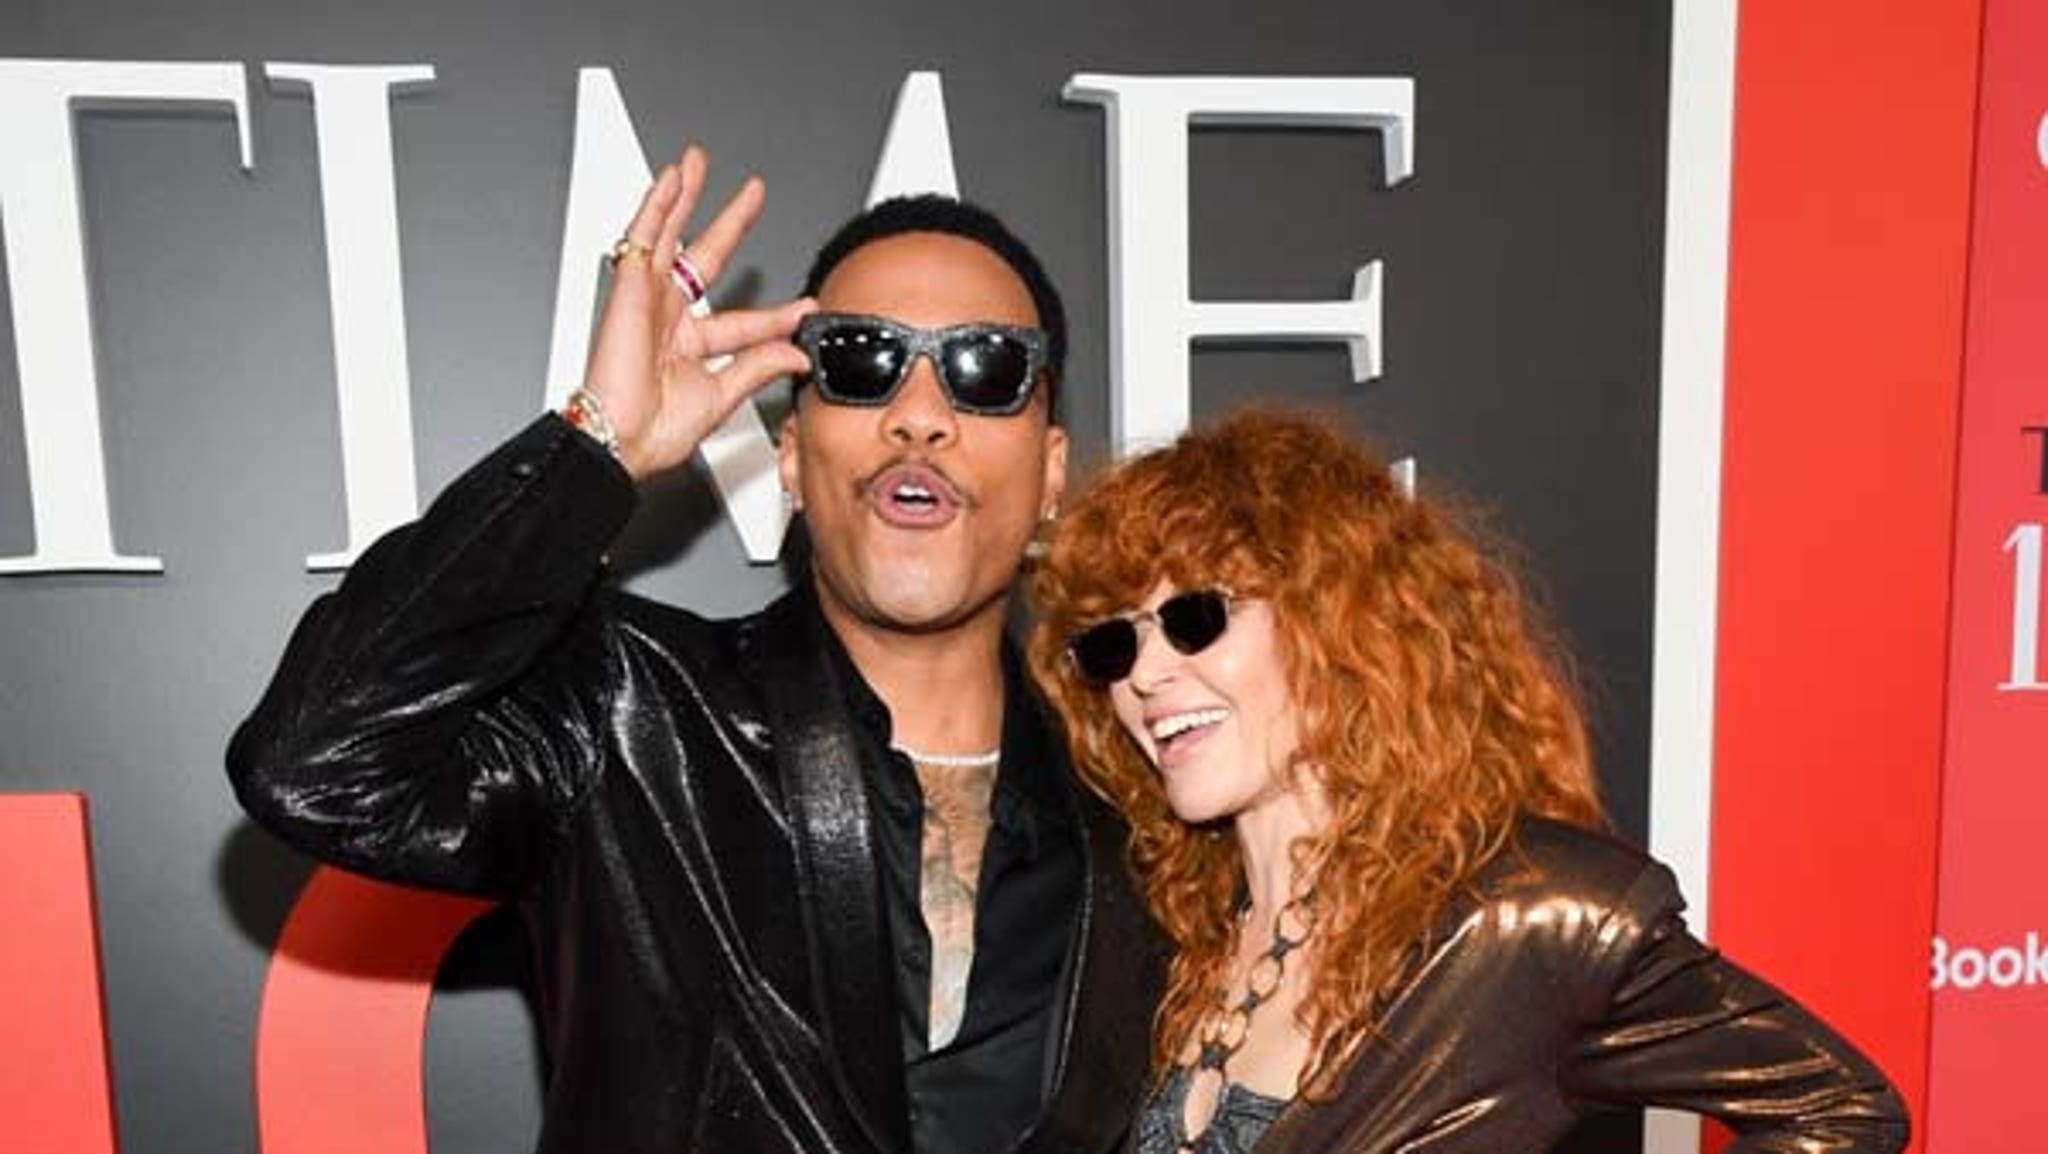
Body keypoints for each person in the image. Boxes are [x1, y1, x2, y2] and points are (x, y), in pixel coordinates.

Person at [228, 146, 1163, 1154]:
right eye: (860, 361)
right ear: (791, 457)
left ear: (1052, 473)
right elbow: (311, 763)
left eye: (986, 370)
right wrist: (596, 448)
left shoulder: (1147, 806)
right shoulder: (628, 714)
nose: (919, 416)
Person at [1028, 408, 1909, 1154]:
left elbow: (1843, 1111)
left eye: (1194, 618)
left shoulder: (1529, 917)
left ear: (1337, 620)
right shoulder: (1175, 928)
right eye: (1113, 644)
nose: (1145, 676)